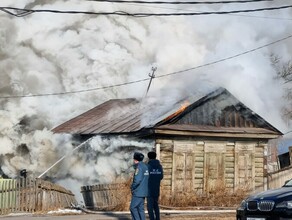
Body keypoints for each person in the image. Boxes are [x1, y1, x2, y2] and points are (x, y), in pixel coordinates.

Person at [130, 152, 149, 220]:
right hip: (144, 191)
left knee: (133, 207)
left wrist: (132, 187)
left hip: (138, 191)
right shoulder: (145, 166)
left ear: (135, 159)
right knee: (140, 208)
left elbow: (137, 180)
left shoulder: (139, 167)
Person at [147, 151, 163, 220]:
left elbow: (145, 177)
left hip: (149, 189)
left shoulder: (148, 166)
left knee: (150, 207)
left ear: (149, 157)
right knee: (156, 205)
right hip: (156, 188)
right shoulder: (159, 166)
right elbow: (161, 176)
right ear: (155, 157)